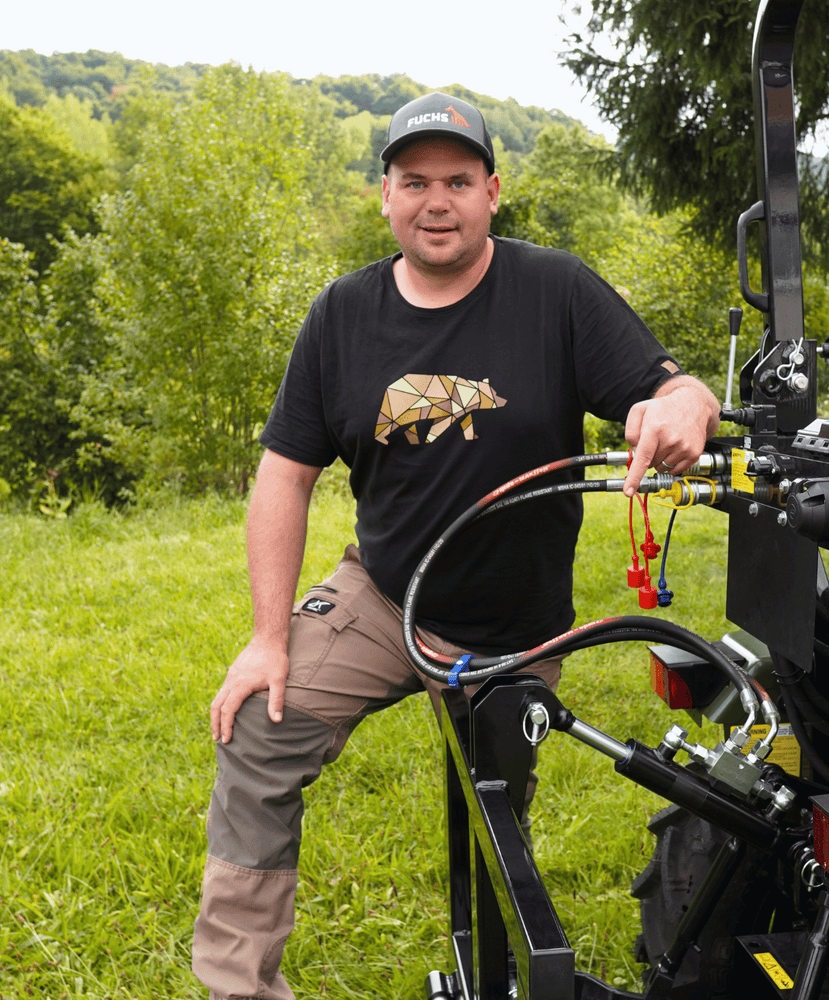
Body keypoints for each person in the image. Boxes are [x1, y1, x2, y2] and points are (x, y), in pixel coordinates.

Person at [192, 91, 720, 999]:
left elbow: (678, 391)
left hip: (516, 628)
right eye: (415, 182)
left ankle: (498, 971)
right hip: (384, 596)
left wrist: (678, 409)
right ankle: (239, 985)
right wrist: (267, 638)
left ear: (492, 192)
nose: (437, 202)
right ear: (386, 196)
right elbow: (284, 476)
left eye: (458, 182)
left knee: (497, 816)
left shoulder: (556, 289)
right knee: (258, 729)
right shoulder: (340, 315)